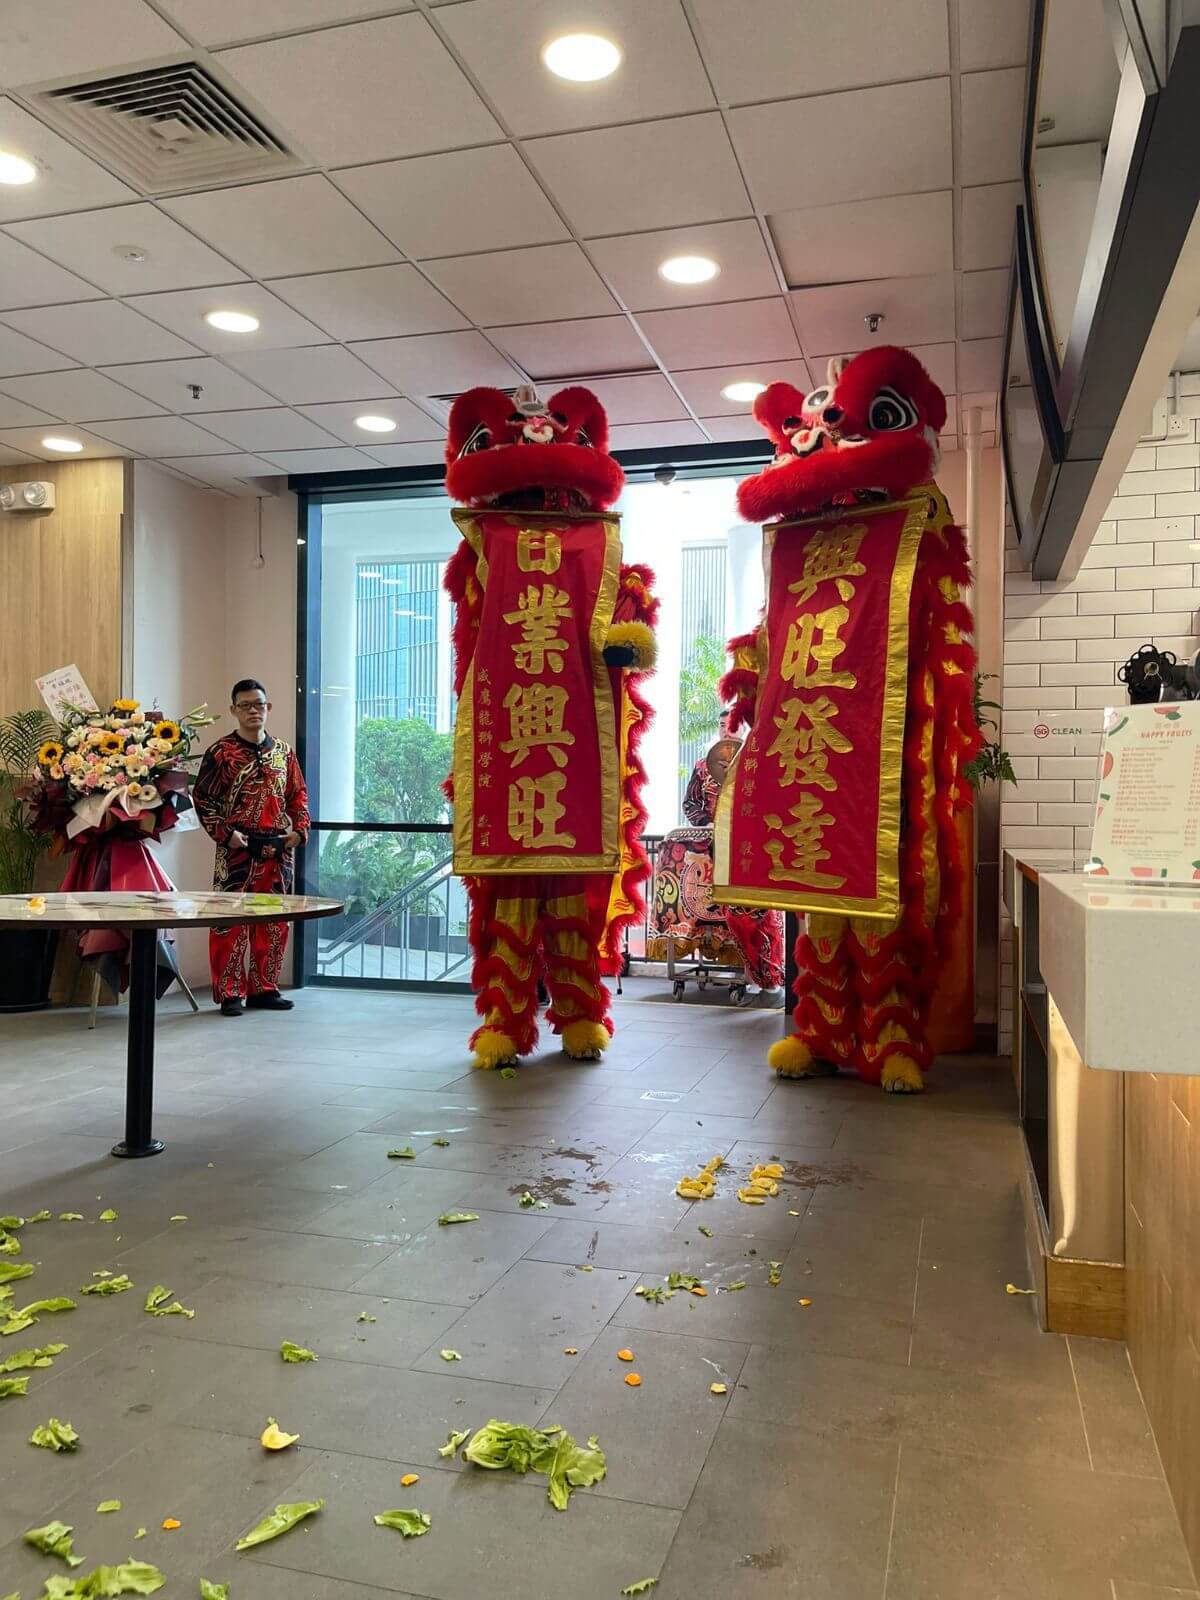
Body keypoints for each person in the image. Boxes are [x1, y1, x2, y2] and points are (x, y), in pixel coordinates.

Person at [193, 679, 310, 1016]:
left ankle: (264, 988)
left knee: (273, 920)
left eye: (259, 704)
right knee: (230, 920)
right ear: (233, 710)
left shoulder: (284, 753)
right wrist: (225, 834)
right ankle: (230, 993)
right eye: (245, 705)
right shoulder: (221, 753)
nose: (254, 710)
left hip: (277, 848)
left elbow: (298, 795)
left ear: (268, 707)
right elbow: (203, 799)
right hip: (236, 847)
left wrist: (300, 831)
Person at [681, 709, 785, 1004]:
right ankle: (750, 975)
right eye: (722, 726)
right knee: (732, 916)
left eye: (733, 726)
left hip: (753, 853)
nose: (727, 731)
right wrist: (706, 823)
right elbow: (691, 804)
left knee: (762, 915)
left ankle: (769, 975)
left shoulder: (759, 764)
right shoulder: (704, 767)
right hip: (719, 854)